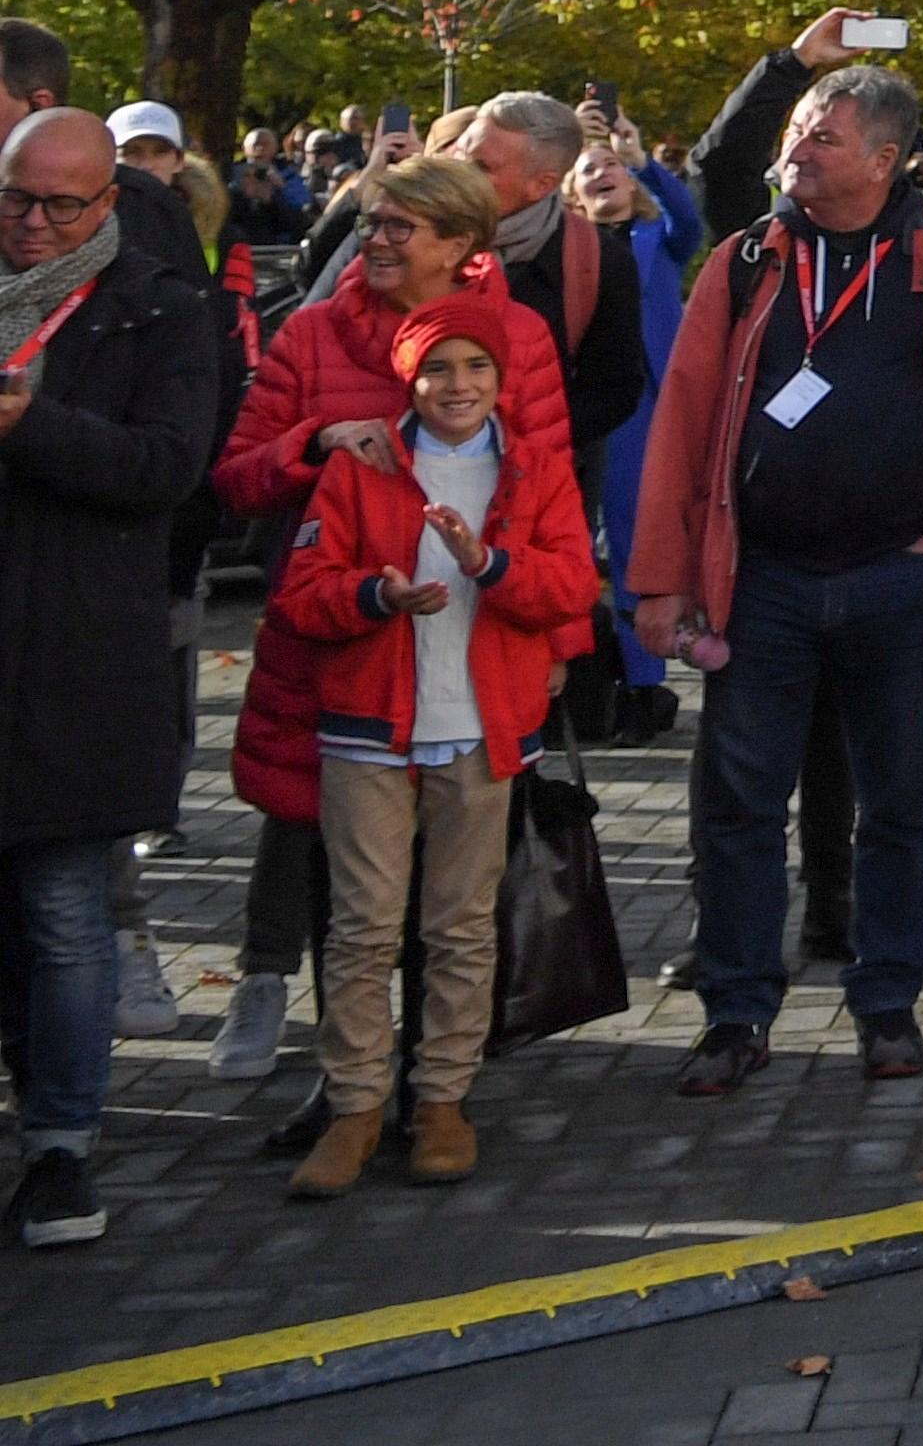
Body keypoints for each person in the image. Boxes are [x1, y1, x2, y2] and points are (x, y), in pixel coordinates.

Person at [631, 14, 923, 1098]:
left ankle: (887, 1002)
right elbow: (680, 426)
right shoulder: (748, 259)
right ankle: (735, 1008)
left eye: (821, 134)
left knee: (898, 801)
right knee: (738, 801)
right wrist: (665, 580)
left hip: (896, 578)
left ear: (886, 157)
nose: (798, 149)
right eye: (799, 131)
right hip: (759, 578)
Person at [210, 154, 577, 1105]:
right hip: (337, 645)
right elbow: (237, 475)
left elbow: (550, 494)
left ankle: (440, 1086)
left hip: (475, 646)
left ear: (460, 246)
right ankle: (348, 1095)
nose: (370, 242)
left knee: (453, 898)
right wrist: (316, 442)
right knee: (347, 892)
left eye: (395, 228)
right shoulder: (315, 335)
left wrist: (559, 653)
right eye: (370, 222)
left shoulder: (518, 338)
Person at [269, 310, 588, 1194]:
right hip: (368, 727)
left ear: (500, 376)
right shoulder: (360, 465)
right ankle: (356, 1108)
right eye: (437, 369)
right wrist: (377, 593)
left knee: (460, 926)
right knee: (362, 929)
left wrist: (490, 566)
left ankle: (443, 1099)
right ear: (407, 382)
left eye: (475, 366)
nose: (457, 384)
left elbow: (570, 585)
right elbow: (303, 592)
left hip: (484, 726)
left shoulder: (532, 464)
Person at [0, 104, 223, 1249]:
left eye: (59, 205)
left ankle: (61, 1150)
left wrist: (30, 421)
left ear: (109, 203)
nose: (33, 226)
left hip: (85, 661)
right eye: (15, 200)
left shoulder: (162, 309)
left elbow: (168, 467)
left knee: (66, 914)